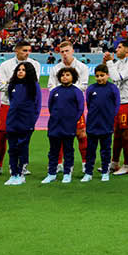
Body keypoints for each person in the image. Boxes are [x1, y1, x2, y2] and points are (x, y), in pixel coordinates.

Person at [0, 41, 42, 177]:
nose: (27, 53)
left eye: (29, 50)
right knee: (3, 136)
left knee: (24, 137)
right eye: (24, 50)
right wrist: (14, 85)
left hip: (24, 107)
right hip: (8, 104)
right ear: (17, 50)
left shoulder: (35, 64)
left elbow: (32, 84)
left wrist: (12, 84)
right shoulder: (5, 65)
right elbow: (0, 85)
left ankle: (22, 165)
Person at [48, 41, 89, 171]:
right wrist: (62, 92)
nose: (65, 54)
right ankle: (59, 163)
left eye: (67, 51)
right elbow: (51, 87)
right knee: (58, 135)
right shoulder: (55, 68)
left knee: (81, 134)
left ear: (72, 51)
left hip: (75, 106)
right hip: (59, 107)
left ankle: (85, 162)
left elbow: (83, 85)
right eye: (62, 52)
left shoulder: (82, 67)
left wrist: (67, 90)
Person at [104, 41, 128, 176]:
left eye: (119, 47)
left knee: (126, 134)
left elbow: (116, 77)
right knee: (117, 133)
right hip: (119, 102)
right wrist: (106, 63)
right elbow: (108, 75)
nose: (116, 49)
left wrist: (109, 62)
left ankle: (127, 164)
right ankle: (114, 162)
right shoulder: (120, 63)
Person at [43, 66, 84, 184]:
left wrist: (72, 121)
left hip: (69, 126)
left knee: (68, 150)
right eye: (62, 75)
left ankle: (67, 173)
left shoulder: (76, 91)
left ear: (73, 77)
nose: (64, 77)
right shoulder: (55, 91)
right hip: (54, 125)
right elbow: (51, 106)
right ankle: (51, 173)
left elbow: (80, 108)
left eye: (67, 75)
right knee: (53, 151)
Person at [3, 62, 41, 186]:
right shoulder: (12, 85)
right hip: (12, 121)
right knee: (12, 148)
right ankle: (13, 174)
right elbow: (12, 102)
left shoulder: (34, 86)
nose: (20, 72)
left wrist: (32, 121)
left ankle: (21, 174)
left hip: (26, 121)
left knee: (22, 147)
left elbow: (37, 105)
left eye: (23, 70)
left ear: (28, 72)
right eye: (18, 69)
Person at [82, 64, 119, 182]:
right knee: (90, 150)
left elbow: (116, 105)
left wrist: (109, 117)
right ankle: (88, 172)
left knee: (106, 150)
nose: (99, 78)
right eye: (97, 76)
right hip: (92, 124)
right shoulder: (91, 89)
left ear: (107, 75)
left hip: (106, 124)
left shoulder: (113, 88)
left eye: (102, 75)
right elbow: (88, 103)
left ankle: (105, 171)